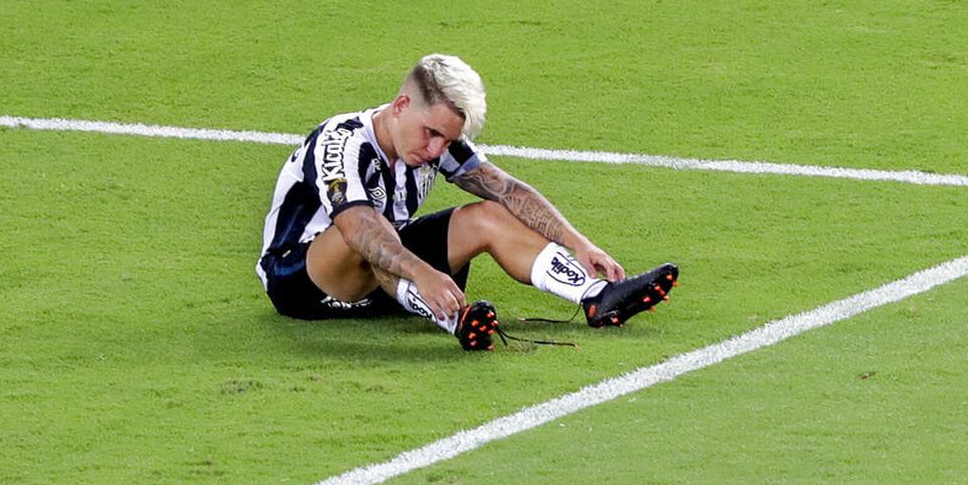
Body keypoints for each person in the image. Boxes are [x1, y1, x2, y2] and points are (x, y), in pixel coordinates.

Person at [256, 54, 678, 350]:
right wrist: (424, 271)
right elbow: (357, 229)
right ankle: (454, 319)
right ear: (401, 106)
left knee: (488, 215)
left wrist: (578, 242)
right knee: (370, 230)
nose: (436, 149)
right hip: (304, 282)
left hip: (389, 277)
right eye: (431, 134)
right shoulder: (342, 141)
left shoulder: (436, 142)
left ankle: (597, 297)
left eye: (447, 140)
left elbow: (506, 190)